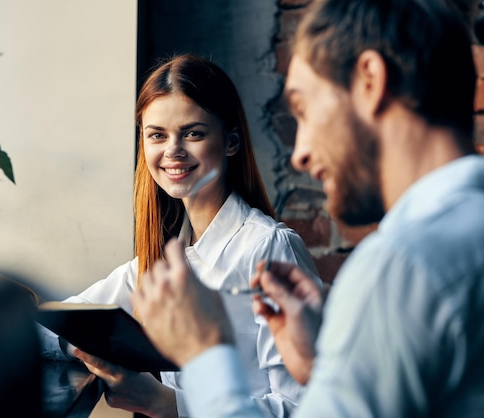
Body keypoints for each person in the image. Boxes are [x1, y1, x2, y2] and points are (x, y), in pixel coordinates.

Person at [131, 0, 484, 417]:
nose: (300, 154)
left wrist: (206, 354)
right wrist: (323, 370)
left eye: (305, 110)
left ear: (370, 81)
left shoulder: (403, 267)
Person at [40, 53, 321, 418]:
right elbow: (57, 324)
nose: (172, 150)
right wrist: (79, 345)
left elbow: (306, 407)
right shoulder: (164, 259)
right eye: (157, 135)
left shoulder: (267, 248)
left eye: (193, 133)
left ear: (231, 142)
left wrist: (168, 404)